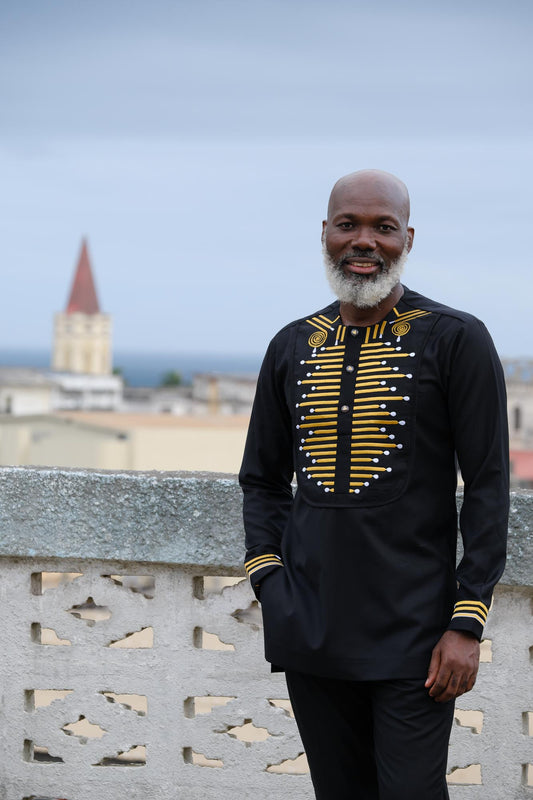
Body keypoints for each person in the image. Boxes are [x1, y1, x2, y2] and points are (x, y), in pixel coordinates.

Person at [239, 169, 509, 800]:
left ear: (407, 238)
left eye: (383, 227)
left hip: (419, 638)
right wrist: (270, 583)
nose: (364, 241)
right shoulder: (291, 346)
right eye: (348, 225)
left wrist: (467, 621)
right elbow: (262, 479)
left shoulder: (455, 339)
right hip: (310, 630)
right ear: (325, 234)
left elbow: (489, 487)